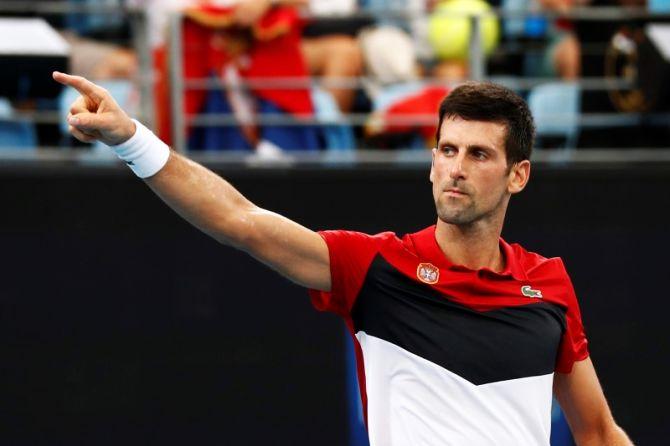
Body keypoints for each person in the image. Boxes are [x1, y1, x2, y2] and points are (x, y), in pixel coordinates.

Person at [52, 70, 633, 445]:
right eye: (447, 149)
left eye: (479, 154)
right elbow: (240, 220)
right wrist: (132, 138)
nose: (456, 167)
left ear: (518, 175)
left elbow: (599, 434)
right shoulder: (375, 268)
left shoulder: (547, 285)